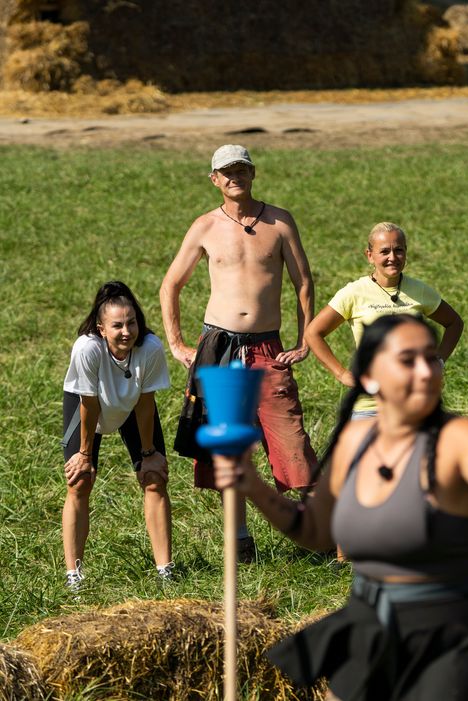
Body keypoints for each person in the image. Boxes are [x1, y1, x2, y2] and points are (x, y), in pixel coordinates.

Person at [213, 314, 468, 701]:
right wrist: (252, 485)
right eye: (408, 360)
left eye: (431, 358)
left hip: (455, 636)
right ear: (372, 378)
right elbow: (315, 531)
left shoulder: (460, 438)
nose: (426, 370)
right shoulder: (354, 440)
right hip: (374, 623)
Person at [160, 144, 319, 562]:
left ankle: (322, 529)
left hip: (268, 346)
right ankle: (240, 541)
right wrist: (177, 344)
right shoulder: (205, 227)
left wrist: (305, 341)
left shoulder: (280, 222)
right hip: (220, 345)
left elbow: (304, 282)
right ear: (214, 178)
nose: (235, 177)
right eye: (226, 172)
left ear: (253, 174)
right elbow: (170, 285)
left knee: (293, 441)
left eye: (242, 170)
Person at [61, 281, 173, 590]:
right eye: (117, 325)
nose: (127, 331)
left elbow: (146, 403)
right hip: (87, 409)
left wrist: (149, 454)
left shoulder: (150, 348)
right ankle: (74, 576)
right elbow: (89, 403)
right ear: (101, 329)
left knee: (155, 478)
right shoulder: (87, 349)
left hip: (132, 406)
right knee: (80, 481)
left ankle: (166, 570)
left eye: (132, 322)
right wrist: (84, 454)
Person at [304, 221, 463, 420]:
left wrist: (438, 361)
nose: (392, 257)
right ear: (370, 255)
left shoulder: (419, 290)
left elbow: (454, 323)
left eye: (399, 250)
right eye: (384, 251)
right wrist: (341, 373)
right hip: (370, 408)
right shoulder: (354, 293)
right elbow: (313, 333)